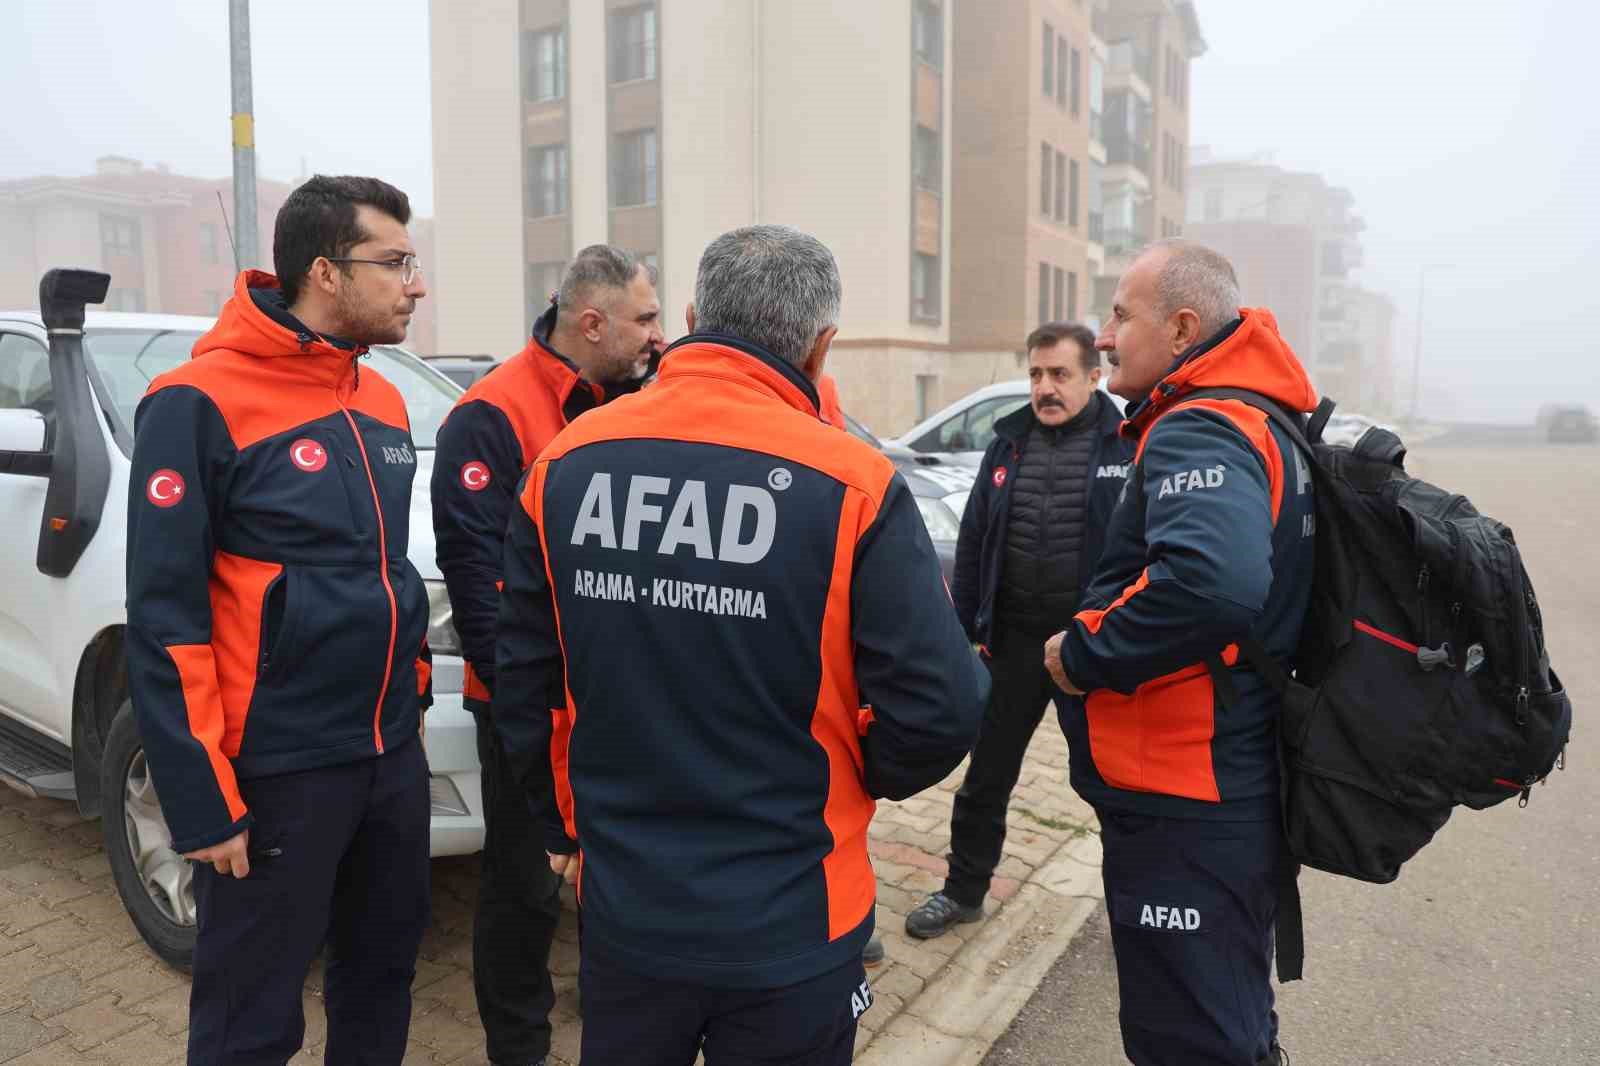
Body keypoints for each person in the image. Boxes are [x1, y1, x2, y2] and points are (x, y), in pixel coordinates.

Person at [493, 224, 988, 1066]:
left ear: (688, 316)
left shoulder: (568, 462)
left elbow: (527, 684)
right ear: (821, 345)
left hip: (629, 906)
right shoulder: (855, 485)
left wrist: (566, 830)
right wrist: (863, 774)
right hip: (795, 911)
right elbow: (941, 707)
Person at [126, 175, 434, 1065]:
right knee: (249, 1016)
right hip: (277, 769)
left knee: (382, 980)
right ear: (325, 273)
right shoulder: (196, 402)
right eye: (395, 262)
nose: (415, 284)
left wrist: (408, 696)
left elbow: (384, 571)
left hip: (388, 754)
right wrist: (199, 797)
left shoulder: (380, 400)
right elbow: (163, 613)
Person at [1043, 240, 1316, 1066]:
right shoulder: (1265, 416)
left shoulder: (1200, 423)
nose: (1104, 334)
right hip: (1229, 778)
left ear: (1184, 327)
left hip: (1188, 794)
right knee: (1230, 1023)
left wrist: (1082, 652)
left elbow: (1212, 583)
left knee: (1189, 1041)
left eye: (1122, 315)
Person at [431, 244, 663, 1066]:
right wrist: (536, 722)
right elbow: (483, 595)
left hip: (626, 700)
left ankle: (615, 1014)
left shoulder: (640, 399)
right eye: (645, 319)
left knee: (623, 872)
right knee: (525, 887)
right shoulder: (490, 416)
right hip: (531, 707)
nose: (656, 336)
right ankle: (518, 1046)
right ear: (592, 322)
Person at [904, 322, 1134, 939]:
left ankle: (1136, 906)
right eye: (1036, 374)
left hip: (1089, 648)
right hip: (1012, 644)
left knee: (1114, 784)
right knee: (986, 776)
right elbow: (976, 538)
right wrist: (967, 634)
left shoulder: (1127, 447)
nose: (1044, 388)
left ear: (1093, 377)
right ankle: (963, 891)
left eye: (1059, 374)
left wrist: (1114, 637)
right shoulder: (1007, 447)